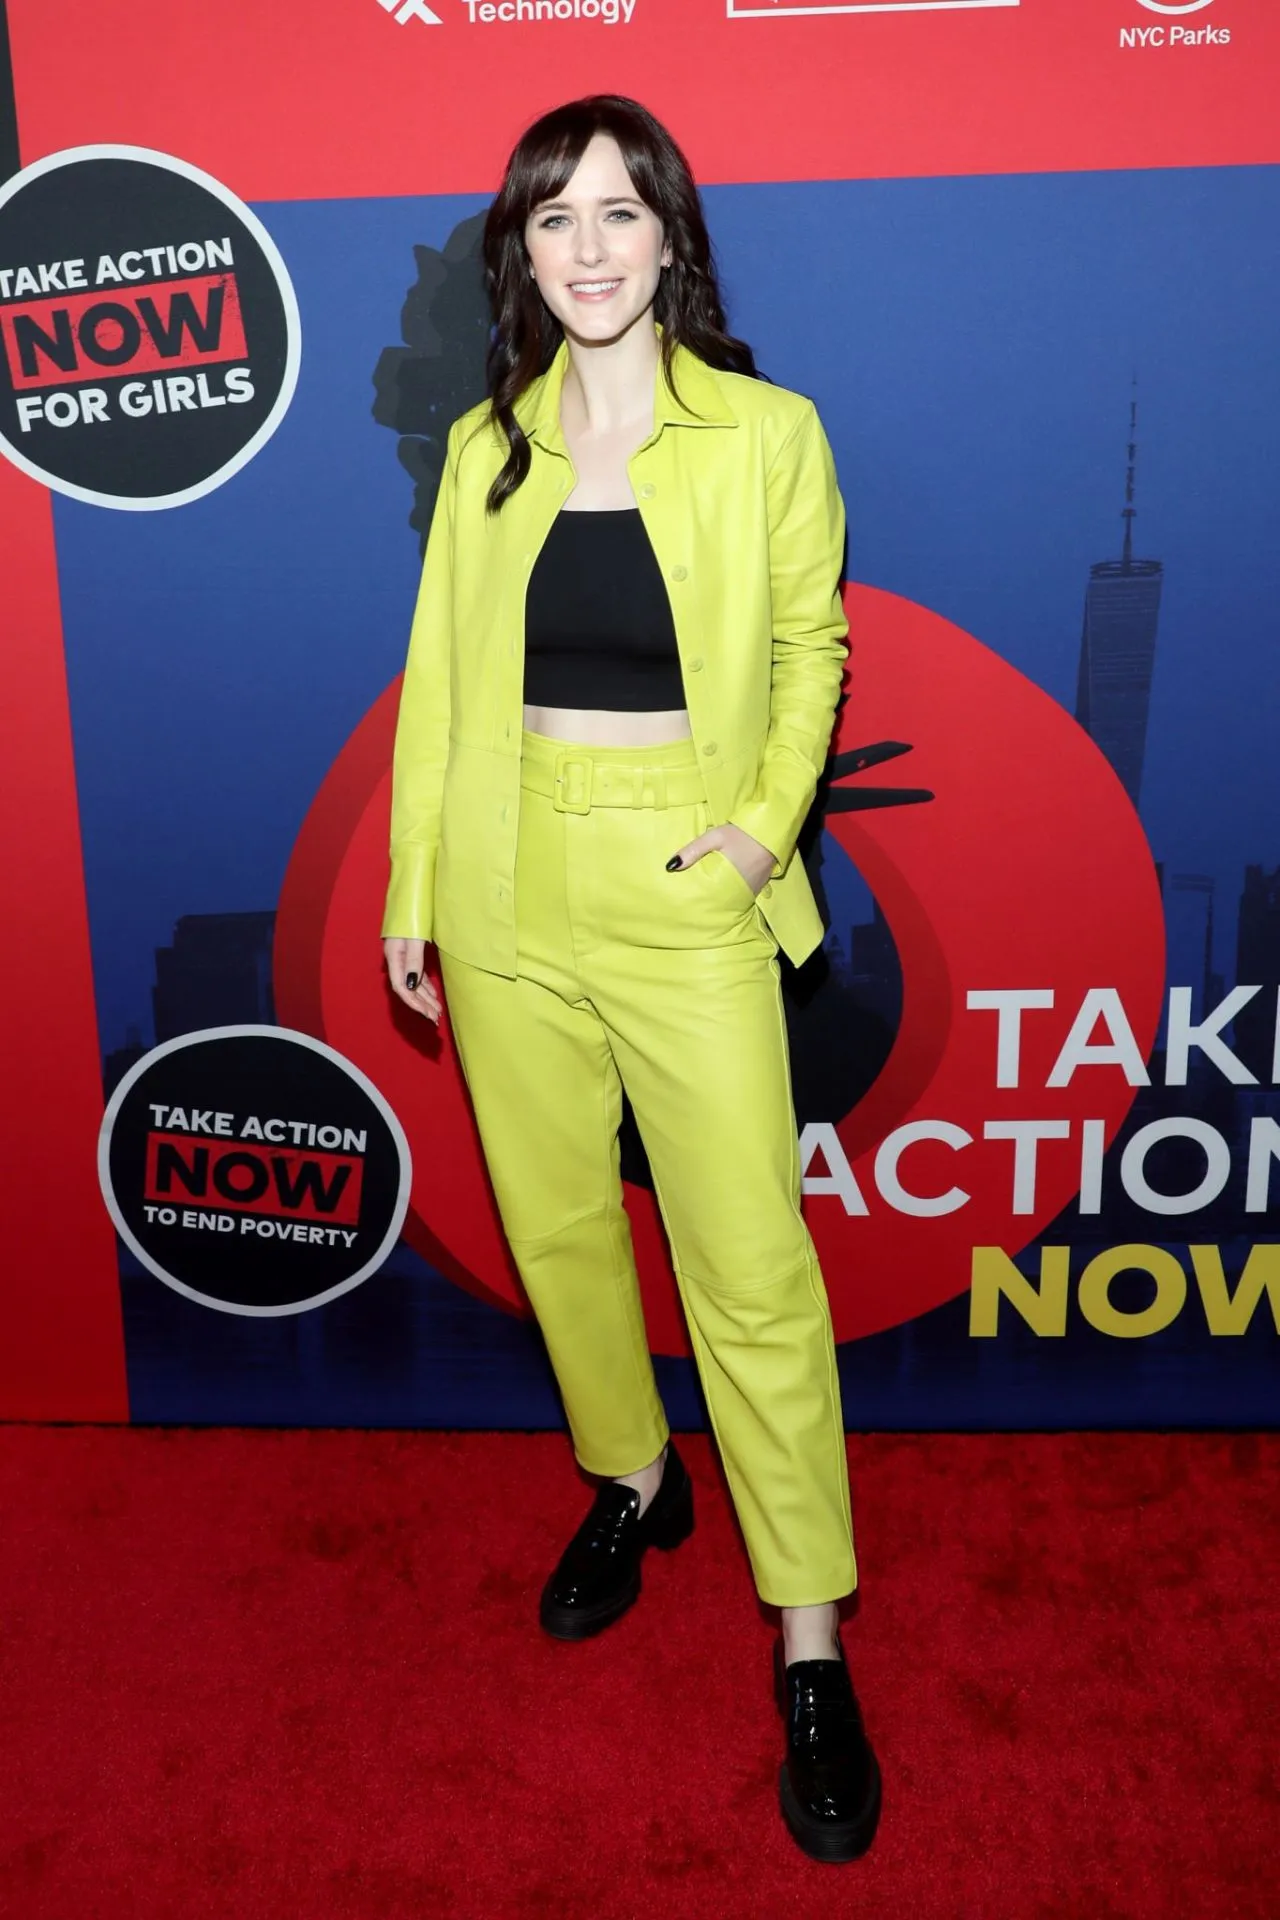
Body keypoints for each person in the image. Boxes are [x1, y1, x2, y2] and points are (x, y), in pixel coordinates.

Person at [382, 94, 880, 1864]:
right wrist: (412, 891)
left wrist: (757, 835)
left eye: (618, 213)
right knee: (562, 1232)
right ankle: (635, 1478)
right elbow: (443, 679)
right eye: (553, 221)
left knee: (750, 1266)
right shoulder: (485, 445)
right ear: (523, 252)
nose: (587, 249)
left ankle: (809, 1635)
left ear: (674, 234)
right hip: (511, 879)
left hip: (685, 877)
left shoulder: (765, 434)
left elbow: (814, 643)